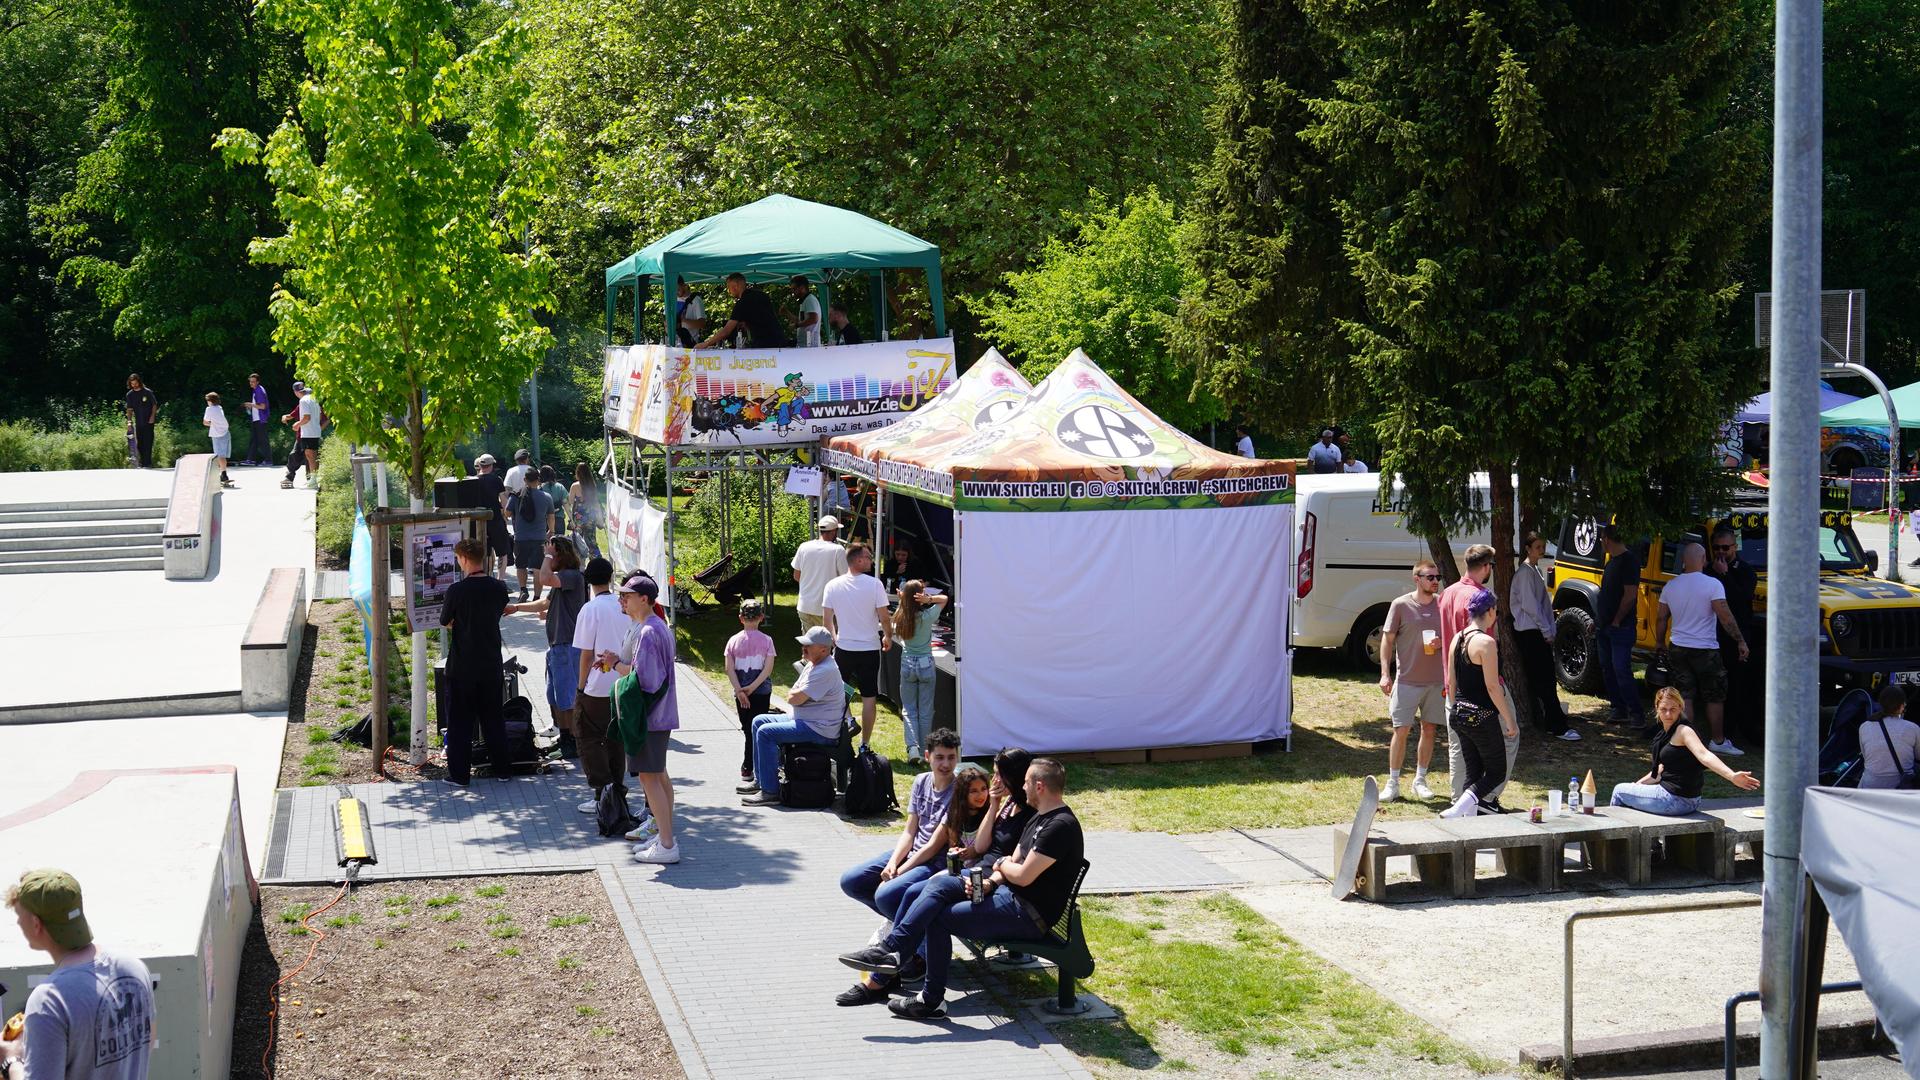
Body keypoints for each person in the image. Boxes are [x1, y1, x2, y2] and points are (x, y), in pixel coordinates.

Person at [850, 758, 1085, 1020]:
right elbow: (1013, 863)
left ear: (1039, 786)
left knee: (938, 916)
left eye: (1027, 782)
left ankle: (924, 993)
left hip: (1028, 913)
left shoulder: (1059, 826)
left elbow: (1023, 875)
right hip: (1006, 892)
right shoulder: (1040, 817)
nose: (1023, 786)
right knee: (937, 885)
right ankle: (892, 953)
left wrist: (1001, 866)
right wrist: (993, 879)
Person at [833, 749, 1034, 1006]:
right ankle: (889, 965)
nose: (994, 782)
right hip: (975, 871)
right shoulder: (1008, 805)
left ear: (1012, 777)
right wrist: (994, 806)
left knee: (926, 891)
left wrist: (992, 875)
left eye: (998, 775)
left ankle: (885, 965)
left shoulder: (1029, 813)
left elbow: (1009, 861)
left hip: (987, 881)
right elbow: (983, 846)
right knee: (912, 893)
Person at [1, 869, 154, 1080]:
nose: (18, 923)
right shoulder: (134, 969)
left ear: (36, 924)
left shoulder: (49, 1001)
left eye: (19, 916)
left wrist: (11, 1060)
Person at [838, 729, 962, 931]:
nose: (946, 764)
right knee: (851, 881)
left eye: (951, 758)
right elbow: (909, 831)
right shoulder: (921, 781)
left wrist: (899, 872)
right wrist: (893, 863)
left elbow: (933, 846)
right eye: (940, 757)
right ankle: (905, 923)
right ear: (927, 756)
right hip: (912, 851)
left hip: (935, 862)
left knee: (885, 895)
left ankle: (910, 940)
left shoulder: (958, 792)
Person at [606, 572, 680, 864]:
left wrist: (617, 675)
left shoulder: (649, 632)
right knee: (658, 776)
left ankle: (667, 843)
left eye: (627, 595)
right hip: (660, 716)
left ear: (645, 599)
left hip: (650, 717)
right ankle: (663, 835)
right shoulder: (656, 626)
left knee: (650, 778)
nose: (622, 599)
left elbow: (645, 681)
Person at [1655, 541, 1750, 756]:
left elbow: (1661, 618)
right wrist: (1740, 640)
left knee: (1685, 695)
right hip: (1705, 647)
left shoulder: (1671, 585)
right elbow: (1725, 616)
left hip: (1678, 645)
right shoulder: (1713, 585)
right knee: (1714, 695)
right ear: (1704, 560)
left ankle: (1689, 740)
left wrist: (1660, 642)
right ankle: (1717, 740)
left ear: (1683, 561)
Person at [1440, 544, 1516, 801]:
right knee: (1509, 737)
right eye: (1491, 567)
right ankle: (1485, 799)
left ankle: (1459, 800)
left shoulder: (1447, 593)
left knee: (1458, 748)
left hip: (1453, 685)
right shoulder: (1482, 598)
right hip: (1480, 686)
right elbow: (1484, 654)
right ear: (1485, 567)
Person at [1610, 687, 1759, 814]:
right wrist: (1636, 787)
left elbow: (1704, 755)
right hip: (1686, 800)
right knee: (1629, 791)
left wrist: (1732, 776)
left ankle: (1614, 844)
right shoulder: (1665, 733)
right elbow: (1659, 772)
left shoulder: (1683, 730)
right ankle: (1653, 844)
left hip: (1675, 799)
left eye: (1673, 709)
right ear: (1657, 709)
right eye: (1664, 709)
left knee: (1619, 791)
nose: (1668, 714)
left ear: (1681, 708)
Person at [739, 626, 846, 804]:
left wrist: (795, 695)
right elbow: (794, 695)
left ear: (824, 649)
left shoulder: (825, 670)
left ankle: (770, 792)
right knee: (758, 721)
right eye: (803, 644)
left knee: (766, 733)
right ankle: (761, 781)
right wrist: (795, 695)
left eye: (808, 645)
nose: (803, 648)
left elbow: (794, 698)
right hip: (805, 719)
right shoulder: (814, 664)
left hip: (819, 728)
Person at [438, 537, 512, 787]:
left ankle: (459, 775)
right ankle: (502, 769)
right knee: (493, 719)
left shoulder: (456, 591)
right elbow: (498, 612)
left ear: (465, 559)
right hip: (491, 662)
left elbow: (445, 620)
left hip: (462, 667)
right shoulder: (499, 588)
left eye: (458, 558)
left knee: (460, 723)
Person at [507, 535, 586, 761]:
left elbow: (543, 578)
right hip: (557, 646)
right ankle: (564, 736)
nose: (546, 558)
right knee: (555, 695)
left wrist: (548, 556)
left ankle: (572, 741)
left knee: (566, 697)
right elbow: (544, 603)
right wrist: (516, 608)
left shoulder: (572, 576)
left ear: (559, 555)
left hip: (567, 645)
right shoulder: (563, 579)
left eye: (549, 554)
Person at [1379, 560, 1446, 801]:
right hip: (1407, 680)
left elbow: (1454, 636)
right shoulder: (1401, 605)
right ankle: (1393, 783)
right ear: (1416, 578)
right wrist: (1385, 673)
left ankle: (1420, 780)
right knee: (1401, 730)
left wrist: (1443, 643)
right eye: (1430, 577)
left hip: (1436, 681)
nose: (1435, 581)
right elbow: (1387, 640)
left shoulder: (1443, 605)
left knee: (1429, 730)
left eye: (1437, 577)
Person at [571, 558, 632, 812]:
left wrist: (581, 686)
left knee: (589, 738)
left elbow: (586, 653)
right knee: (616, 739)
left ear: (588, 580)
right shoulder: (623, 606)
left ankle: (602, 792)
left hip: (596, 686)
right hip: (623, 683)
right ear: (610, 577)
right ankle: (617, 789)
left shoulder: (590, 609)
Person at [824, 542, 892, 747]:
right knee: (869, 697)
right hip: (869, 649)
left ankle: (847, 722)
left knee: (840, 693)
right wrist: (888, 636)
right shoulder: (874, 585)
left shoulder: (832, 585)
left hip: (844, 648)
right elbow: (884, 617)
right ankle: (865, 743)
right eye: (869, 557)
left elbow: (827, 621)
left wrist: (835, 640)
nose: (872, 560)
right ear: (858, 560)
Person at [1511, 532, 1577, 740]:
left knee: (1544, 679)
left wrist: (1549, 628)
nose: (1541, 550)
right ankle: (1557, 725)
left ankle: (1549, 721)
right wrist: (1546, 630)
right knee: (1544, 679)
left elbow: (1542, 604)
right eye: (1537, 547)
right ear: (1528, 549)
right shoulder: (1524, 573)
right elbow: (1531, 606)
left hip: (1537, 630)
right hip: (1531, 632)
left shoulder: (1535, 570)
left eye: (1542, 546)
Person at [1706, 527, 1759, 743]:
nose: (1721, 552)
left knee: (1737, 685)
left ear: (1734, 547)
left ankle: (1736, 729)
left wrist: (1725, 575)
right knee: (1716, 685)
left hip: (1738, 634)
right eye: (1716, 548)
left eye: (1725, 548)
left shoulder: (1745, 571)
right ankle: (1719, 730)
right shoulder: (1708, 570)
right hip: (1713, 634)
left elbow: (1740, 598)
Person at [1596, 525, 1646, 728]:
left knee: (1621, 669)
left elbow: (1630, 595)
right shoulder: (1611, 563)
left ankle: (1636, 713)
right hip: (1603, 627)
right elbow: (1606, 595)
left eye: (1601, 539)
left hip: (1621, 628)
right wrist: (1597, 621)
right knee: (1607, 668)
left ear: (1607, 539)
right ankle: (1619, 709)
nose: (1601, 542)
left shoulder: (1629, 561)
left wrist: (1617, 620)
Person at [894, 581, 948, 765]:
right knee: (925, 710)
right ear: (920, 597)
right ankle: (925, 749)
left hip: (907, 663)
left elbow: (905, 608)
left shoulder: (901, 616)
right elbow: (945, 599)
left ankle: (913, 749)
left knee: (909, 710)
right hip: (925, 664)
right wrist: (930, 599)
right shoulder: (926, 616)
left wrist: (905, 600)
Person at [724, 599, 776, 782]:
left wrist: (740, 691)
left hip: (741, 694)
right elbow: (767, 669)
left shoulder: (732, 641)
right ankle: (757, 766)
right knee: (759, 729)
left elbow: (729, 669)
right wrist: (752, 688)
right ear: (761, 617)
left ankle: (747, 767)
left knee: (747, 729)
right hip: (761, 692)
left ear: (740, 618)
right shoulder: (767, 641)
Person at [695, 273, 790, 349]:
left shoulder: (742, 303)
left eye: (729, 287)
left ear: (735, 286)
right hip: (779, 341)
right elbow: (764, 317)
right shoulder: (762, 295)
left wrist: (706, 343)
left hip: (764, 346)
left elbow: (726, 331)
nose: (729, 291)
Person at [791, 515, 848, 631]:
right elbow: (846, 579)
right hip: (827, 608)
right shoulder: (838, 550)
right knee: (827, 645)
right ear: (833, 532)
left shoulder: (804, 547)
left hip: (805, 605)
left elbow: (797, 576)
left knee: (809, 645)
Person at [506, 474, 555, 604]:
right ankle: (537, 597)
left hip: (521, 537)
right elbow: (551, 516)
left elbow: (507, 512)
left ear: (525, 480)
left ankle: (523, 590)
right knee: (538, 567)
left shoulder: (516, 496)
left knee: (521, 565)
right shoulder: (546, 497)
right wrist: (551, 530)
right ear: (538, 480)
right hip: (539, 537)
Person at [1859, 685, 1920, 789]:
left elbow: (1866, 756)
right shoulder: (1913, 728)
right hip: (1900, 789)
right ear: (1902, 706)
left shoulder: (1864, 726)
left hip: (1869, 787)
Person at [279, 380, 323, 489]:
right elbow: (320, 416)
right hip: (314, 431)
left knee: (310, 456)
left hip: (308, 432)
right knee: (311, 456)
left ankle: (312, 480)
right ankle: (313, 479)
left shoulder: (303, 401)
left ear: (296, 392)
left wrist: (297, 424)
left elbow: (306, 417)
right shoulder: (314, 399)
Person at [474, 453, 511, 579]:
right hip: (495, 519)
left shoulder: (473, 480)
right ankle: (500, 580)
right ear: (492, 465)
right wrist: (507, 514)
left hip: (479, 520)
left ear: (480, 465)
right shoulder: (497, 480)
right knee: (502, 552)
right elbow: (503, 499)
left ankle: (485, 576)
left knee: (484, 552)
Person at [120, 374, 158, 469]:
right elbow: (129, 409)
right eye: (132, 384)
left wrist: (153, 416)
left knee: (148, 441)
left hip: (149, 421)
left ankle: (147, 463)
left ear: (139, 382)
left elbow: (154, 405)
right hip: (139, 421)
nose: (134, 385)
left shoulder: (147, 392)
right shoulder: (130, 395)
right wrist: (129, 422)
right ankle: (142, 462)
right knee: (140, 443)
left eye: (136, 383)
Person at [568, 462, 602, 558]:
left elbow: (570, 501)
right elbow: (596, 503)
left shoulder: (574, 486)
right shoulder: (592, 485)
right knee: (592, 542)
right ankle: (597, 563)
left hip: (579, 518)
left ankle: (579, 565)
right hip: (591, 517)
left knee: (577, 542)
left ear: (578, 473)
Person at [202, 392, 235, 489]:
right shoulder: (220, 408)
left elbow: (205, 422)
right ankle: (223, 474)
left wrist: (212, 424)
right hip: (226, 433)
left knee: (219, 455)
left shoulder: (209, 409)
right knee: (223, 455)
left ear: (210, 401)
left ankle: (222, 475)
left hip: (217, 435)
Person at [243, 372, 270, 465]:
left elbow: (263, 406)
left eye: (253, 382)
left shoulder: (259, 390)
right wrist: (251, 407)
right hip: (256, 419)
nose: (251, 383)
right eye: (250, 382)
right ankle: (250, 459)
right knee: (254, 440)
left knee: (263, 440)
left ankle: (268, 460)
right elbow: (258, 406)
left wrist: (251, 405)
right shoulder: (255, 390)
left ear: (258, 382)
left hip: (260, 419)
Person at [789, 275, 823, 348]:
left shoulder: (810, 300)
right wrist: (786, 313)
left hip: (810, 346)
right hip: (806, 345)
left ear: (802, 288)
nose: (793, 292)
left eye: (794, 289)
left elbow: (813, 319)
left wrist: (796, 325)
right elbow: (801, 321)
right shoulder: (805, 301)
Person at [674, 278, 707, 347]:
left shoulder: (696, 300)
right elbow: (666, 325)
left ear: (685, 286)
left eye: (678, 289)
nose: (675, 292)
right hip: (674, 344)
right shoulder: (671, 300)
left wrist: (684, 321)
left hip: (690, 345)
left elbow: (702, 324)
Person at [540, 465, 570, 538]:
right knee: (559, 544)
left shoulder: (540, 488)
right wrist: (571, 519)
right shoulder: (560, 487)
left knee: (546, 545)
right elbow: (566, 504)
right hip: (559, 519)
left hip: (545, 521)